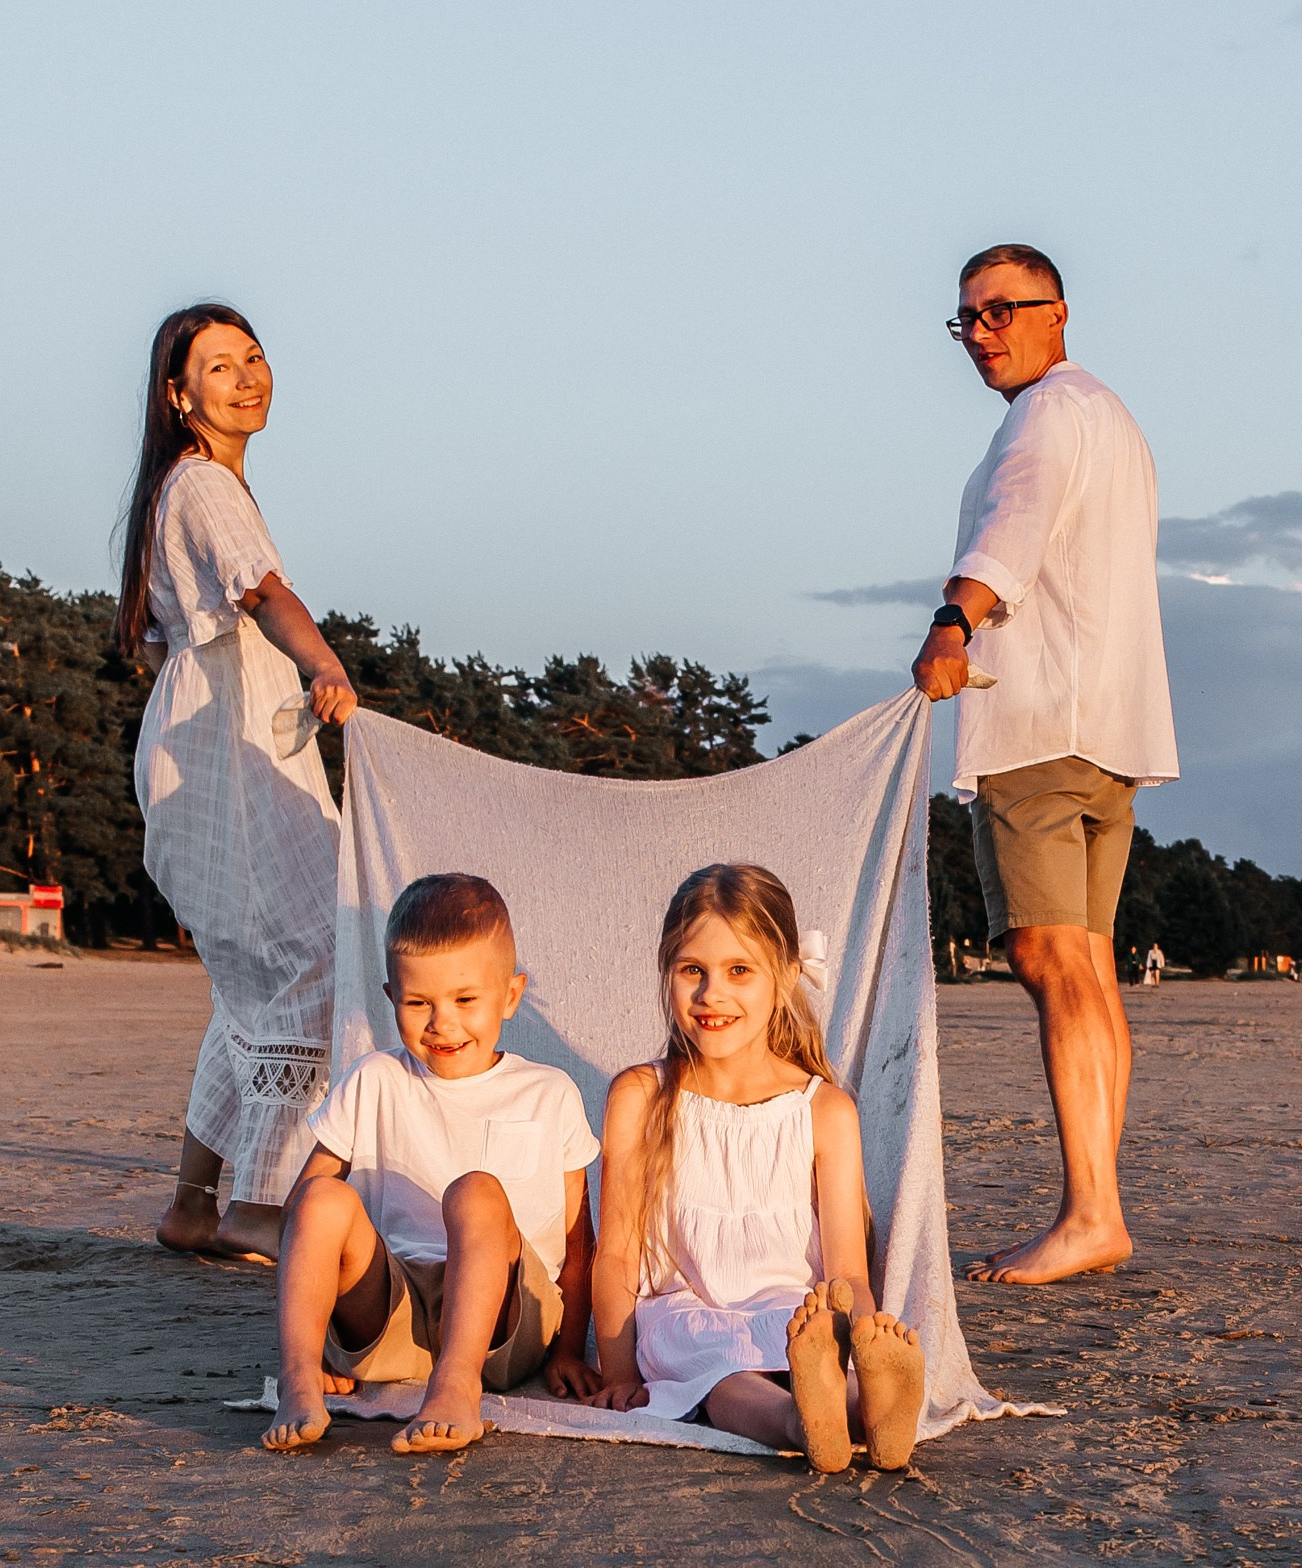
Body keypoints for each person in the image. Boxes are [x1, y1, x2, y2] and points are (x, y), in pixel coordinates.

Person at [912, 244, 1179, 1286]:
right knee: (1089, 964)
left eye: (1002, 311)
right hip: (1111, 726)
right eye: (967, 319)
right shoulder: (1113, 417)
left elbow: (1010, 531)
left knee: (1048, 958)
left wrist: (952, 622)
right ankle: (1097, 1205)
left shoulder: (1043, 416)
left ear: (1057, 312)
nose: (982, 334)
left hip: (1040, 723)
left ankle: (1091, 1211)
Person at [119, 303, 359, 1262]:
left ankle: (192, 1203)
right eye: (219, 366)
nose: (248, 377)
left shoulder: (182, 489)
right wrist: (323, 664)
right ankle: (259, 1206)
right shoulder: (204, 485)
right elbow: (263, 592)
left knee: (252, 980)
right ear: (179, 396)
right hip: (228, 743)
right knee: (318, 955)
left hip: (207, 738)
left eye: (253, 357)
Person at [586, 864, 926, 1473]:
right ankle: (805, 1422)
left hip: (797, 1315)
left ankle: (871, 1407)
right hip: (686, 1313)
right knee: (718, 1372)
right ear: (667, 972)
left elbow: (848, 1270)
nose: (711, 994)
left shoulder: (824, 1109)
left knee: (811, 1351)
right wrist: (618, 1373)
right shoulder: (641, 1096)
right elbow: (615, 1255)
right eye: (692, 970)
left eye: (739, 971)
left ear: (786, 975)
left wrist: (861, 1335)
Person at [262, 875, 600, 1455]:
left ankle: (455, 1385)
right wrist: (320, 1341)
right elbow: (300, 1221)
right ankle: (298, 1380)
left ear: (510, 995)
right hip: (389, 1314)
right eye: (419, 1003)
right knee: (320, 1198)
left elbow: (577, 1241)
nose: (442, 1023)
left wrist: (569, 1350)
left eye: (465, 1001)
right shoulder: (374, 1079)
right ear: (391, 996)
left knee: (475, 1191)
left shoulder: (549, 1092)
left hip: (501, 1325)